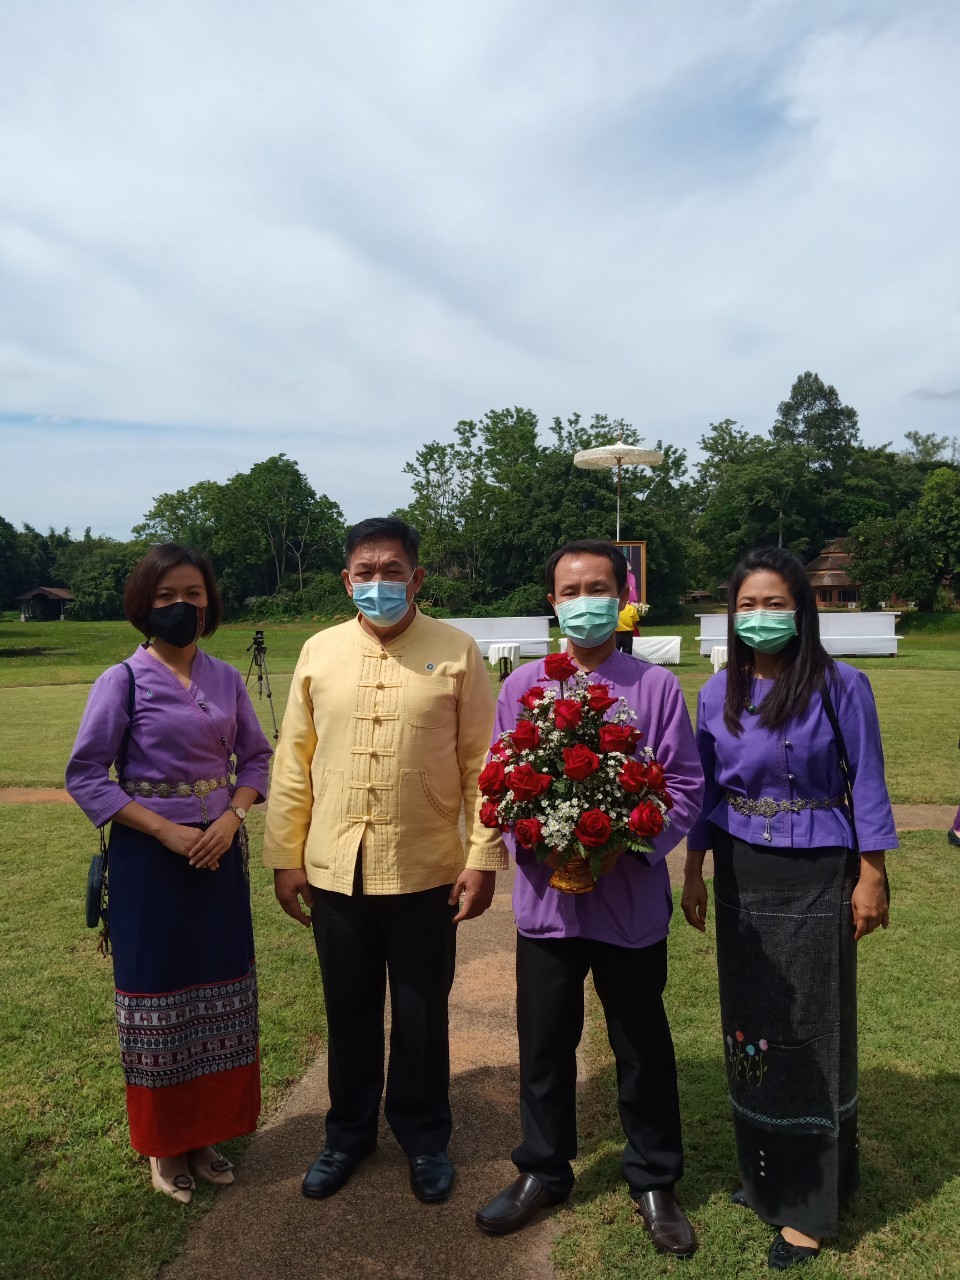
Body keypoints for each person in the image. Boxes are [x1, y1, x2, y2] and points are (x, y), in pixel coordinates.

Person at [263, 516, 507, 1206]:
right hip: (334, 868)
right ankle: (347, 1135)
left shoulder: (456, 651)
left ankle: (425, 1137)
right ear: (347, 582)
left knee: (422, 1012)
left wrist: (483, 855)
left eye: (392, 571)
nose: (379, 583)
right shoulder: (319, 651)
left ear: (417, 577)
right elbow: (294, 763)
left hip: (426, 867)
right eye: (365, 573)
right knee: (348, 1009)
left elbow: (483, 764)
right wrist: (285, 855)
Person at [475, 539, 704, 1258]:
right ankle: (543, 1170)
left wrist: (616, 847)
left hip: (628, 905)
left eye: (598, 588)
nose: (584, 602)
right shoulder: (522, 686)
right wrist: (540, 844)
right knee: (545, 1044)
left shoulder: (656, 688)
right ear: (553, 602)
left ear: (622, 597)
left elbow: (685, 787)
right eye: (570, 591)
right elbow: (499, 781)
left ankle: (654, 1178)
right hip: (549, 907)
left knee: (641, 1043)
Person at [681, 547, 895, 1272]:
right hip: (740, 871)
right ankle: (765, 1174)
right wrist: (693, 871)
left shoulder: (842, 685)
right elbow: (706, 790)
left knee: (809, 1027)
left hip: (816, 872)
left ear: (801, 610)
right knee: (753, 1025)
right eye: (747, 605)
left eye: (774, 603)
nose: (760, 616)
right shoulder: (719, 692)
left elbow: (868, 781)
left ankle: (809, 1203)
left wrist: (872, 876)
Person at [66, 545, 272, 1204]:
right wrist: (165, 830)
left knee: (219, 994)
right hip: (150, 863)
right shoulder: (122, 681)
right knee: (159, 1001)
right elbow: (86, 774)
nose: (182, 605)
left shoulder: (227, 678)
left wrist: (232, 819)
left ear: (209, 602)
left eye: (193, 593)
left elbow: (257, 760)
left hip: (218, 857)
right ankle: (164, 1144)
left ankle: (207, 1133)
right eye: (166, 596)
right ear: (143, 604)